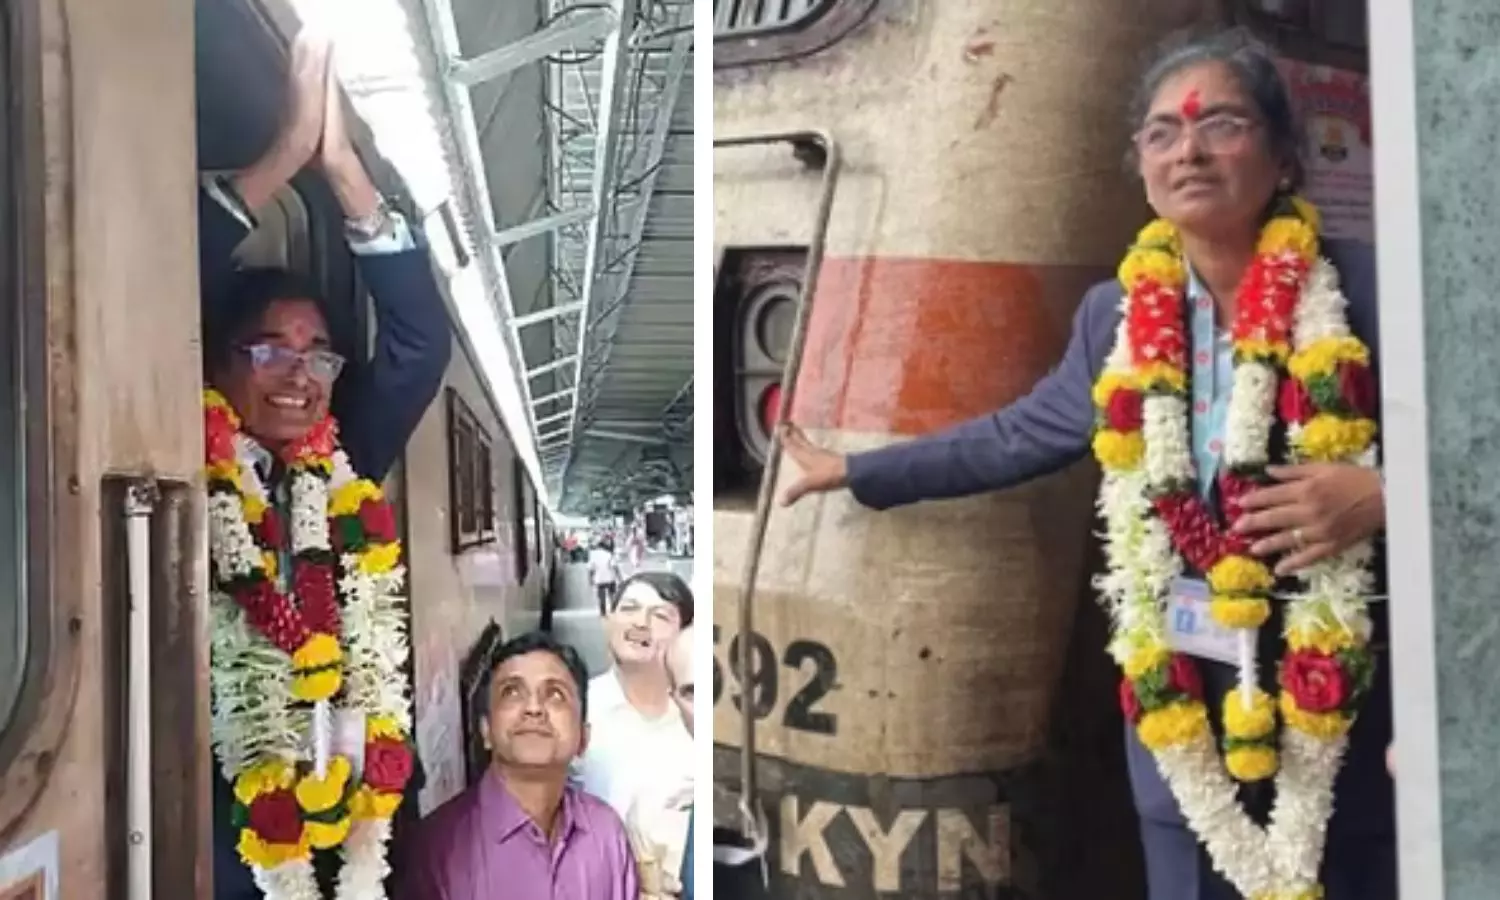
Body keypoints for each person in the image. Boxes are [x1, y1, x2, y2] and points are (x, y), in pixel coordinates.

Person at [777, 28, 1391, 900]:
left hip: (1337, 695)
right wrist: (854, 471)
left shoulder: (1370, 294)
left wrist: (1385, 495)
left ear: (1285, 157)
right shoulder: (1117, 316)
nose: (1190, 150)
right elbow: (1019, 434)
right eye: (1163, 133)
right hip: (1181, 686)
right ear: (1138, 163)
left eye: (1222, 124)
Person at [204, 35, 450, 900]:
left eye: (319, 356)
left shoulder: (344, 463)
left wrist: (344, 171)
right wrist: (284, 157)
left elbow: (421, 347)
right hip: (225, 827)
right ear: (216, 365)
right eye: (271, 348)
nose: (301, 376)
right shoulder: (176, 465)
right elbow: (148, 278)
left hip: (351, 817)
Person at [400, 632, 640, 899]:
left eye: (556, 695)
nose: (534, 708)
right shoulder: (437, 848)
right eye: (512, 692)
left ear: (583, 738)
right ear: (486, 730)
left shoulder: (606, 833)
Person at [573, 572, 694, 870]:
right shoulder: (576, 710)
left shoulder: (698, 715)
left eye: (660, 616)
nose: (641, 623)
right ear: (607, 621)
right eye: (628, 609)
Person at [590, 538, 622, 615]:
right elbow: (614, 567)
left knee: (601, 596)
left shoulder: (593, 556)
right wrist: (620, 578)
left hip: (599, 579)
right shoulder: (609, 554)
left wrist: (590, 579)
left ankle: (603, 611)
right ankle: (612, 609)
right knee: (612, 594)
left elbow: (591, 569)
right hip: (610, 578)